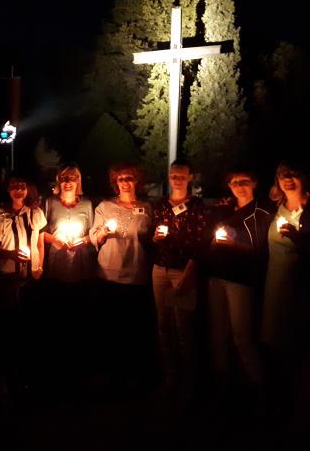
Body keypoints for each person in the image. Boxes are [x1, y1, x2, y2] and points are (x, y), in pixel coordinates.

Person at [207, 167, 271, 401]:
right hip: (217, 277)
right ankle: (222, 382)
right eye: (234, 182)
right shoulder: (224, 209)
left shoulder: (262, 212)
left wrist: (235, 247)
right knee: (218, 332)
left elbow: (262, 251)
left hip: (241, 280)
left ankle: (258, 386)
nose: (239, 186)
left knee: (242, 335)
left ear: (254, 182)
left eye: (244, 181)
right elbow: (210, 239)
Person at [89, 162, 154, 389]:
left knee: (134, 328)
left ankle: (133, 373)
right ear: (115, 183)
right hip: (109, 274)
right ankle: (109, 373)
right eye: (121, 179)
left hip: (136, 273)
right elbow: (93, 236)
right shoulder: (105, 207)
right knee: (109, 327)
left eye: (129, 178)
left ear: (137, 181)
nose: (125, 183)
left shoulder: (147, 208)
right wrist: (104, 233)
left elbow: (151, 238)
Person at [151, 159, 209, 401]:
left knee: (183, 327)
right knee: (163, 326)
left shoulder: (197, 206)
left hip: (182, 271)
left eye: (181, 176)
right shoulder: (161, 205)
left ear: (190, 178)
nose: (177, 179)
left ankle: (189, 381)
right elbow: (153, 238)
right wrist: (155, 238)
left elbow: (201, 244)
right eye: (173, 175)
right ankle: (170, 377)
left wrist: (188, 273)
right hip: (159, 270)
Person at [0, 172, 46, 399]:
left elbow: (39, 242)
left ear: (28, 189)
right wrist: (12, 255)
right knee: (7, 326)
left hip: (31, 277)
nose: (19, 190)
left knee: (28, 326)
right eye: (14, 186)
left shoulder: (36, 213)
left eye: (22, 186)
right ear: (7, 189)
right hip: (7, 278)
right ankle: (6, 378)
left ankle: (26, 376)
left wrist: (40, 266)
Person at [261, 160, 310, 417]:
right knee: (273, 341)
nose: (288, 179)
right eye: (282, 175)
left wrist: (300, 239)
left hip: (299, 285)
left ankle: (296, 404)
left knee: (295, 342)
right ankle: (275, 399)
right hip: (273, 283)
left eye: (293, 174)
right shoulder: (275, 207)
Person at [42, 163, 96, 388]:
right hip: (57, 266)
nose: (68, 181)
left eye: (72, 177)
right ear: (58, 180)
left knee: (80, 317)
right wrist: (55, 240)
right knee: (58, 317)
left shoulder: (87, 204)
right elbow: (40, 232)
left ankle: (80, 370)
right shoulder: (50, 203)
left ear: (78, 181)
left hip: (81, 267)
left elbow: (92, 233)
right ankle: (58, 370)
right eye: (64, 177)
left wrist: (82, 240)